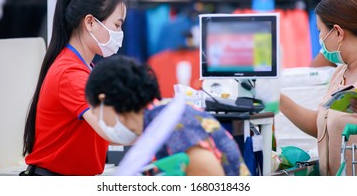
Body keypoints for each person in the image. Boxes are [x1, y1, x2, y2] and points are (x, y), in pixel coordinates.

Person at [20, 0, 127, 176]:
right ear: (90, 22)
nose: (120, 34)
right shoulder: (70, 74)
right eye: (117, 25)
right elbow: (113, 129)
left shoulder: (85, 69)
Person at [85, 55, 250, 176]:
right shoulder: (158, 122)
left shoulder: (176, 128)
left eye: (95, 111)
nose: (99, 119)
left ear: (105, 101)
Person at [280, 0, 357, 176]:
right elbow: (321, 126)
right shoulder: (340, 72)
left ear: (337, 32)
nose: (320, 40)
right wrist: (278, 99)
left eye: (321, 32)